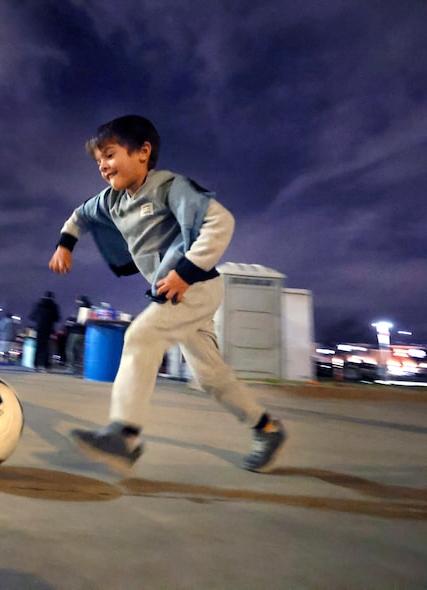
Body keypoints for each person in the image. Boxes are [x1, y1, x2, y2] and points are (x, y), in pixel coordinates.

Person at [48, 114, 287, 473]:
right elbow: (79, 216)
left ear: (143, 152)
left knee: (141, 335)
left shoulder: (168, 187)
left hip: (197, 286)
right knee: (211, 377)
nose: (102, 166)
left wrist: (185, 273)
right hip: (178, 293)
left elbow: (221, 222)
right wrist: (65, 245)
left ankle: (124, 435)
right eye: (98, 161)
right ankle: (267, 428)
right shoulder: (111, 201)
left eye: (110, 155)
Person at [29, 291, 60, 371]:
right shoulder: (54, 306)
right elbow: (57, 318)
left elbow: (32, 316)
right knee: (46, 347)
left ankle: (36, 364)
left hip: (39, 328)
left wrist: (38, 319)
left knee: (38, 346)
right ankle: (45, 365)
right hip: (48, 329)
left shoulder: (38, 305)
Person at [64, 295, 92, 374]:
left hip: (76, 332)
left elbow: (79, 321)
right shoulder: (89, 309)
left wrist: (70, 322)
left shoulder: (82, 309)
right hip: (84, 333)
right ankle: (80, 368)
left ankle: (71, 367)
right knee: (80, 351)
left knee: (70, 349)